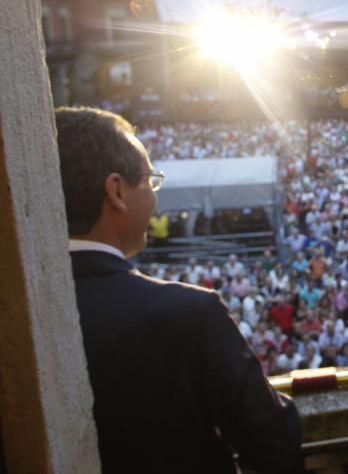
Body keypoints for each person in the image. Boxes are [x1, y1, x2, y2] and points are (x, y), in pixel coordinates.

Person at [55, 107, 301, 473]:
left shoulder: (16, 312)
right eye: (151, 181)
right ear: (117, 191)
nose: (155, 197)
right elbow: (272, 441)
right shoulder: (189, 313)